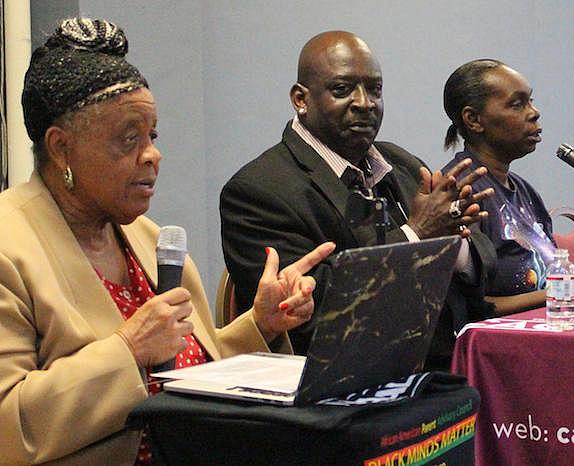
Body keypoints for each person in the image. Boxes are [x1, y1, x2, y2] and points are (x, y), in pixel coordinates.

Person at [0, 18, 333, 465]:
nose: (152, 154)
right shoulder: (10, 246)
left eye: (152, 135)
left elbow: (189, 371)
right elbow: (8, 425)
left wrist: (262, 324)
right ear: (61, 149)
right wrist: (127, 350)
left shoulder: (149, 239)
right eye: (128, 139)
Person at [221, 31, 496, 370]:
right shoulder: (258, 192)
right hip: (343, 388)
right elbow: (317, 310)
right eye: (342, 89)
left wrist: (454, 241)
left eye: (374, 89)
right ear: (300, 99)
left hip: (445, 366)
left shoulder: (402, 162)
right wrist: (417, 235)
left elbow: (484, 258)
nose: (364, 102)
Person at [441, 59, 574, 315]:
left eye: (531, 101)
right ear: (473, 119)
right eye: (517, 104)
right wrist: (563, 292)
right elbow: (472, 308)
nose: (533, 112)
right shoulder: (461, 192)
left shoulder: (524, 191)